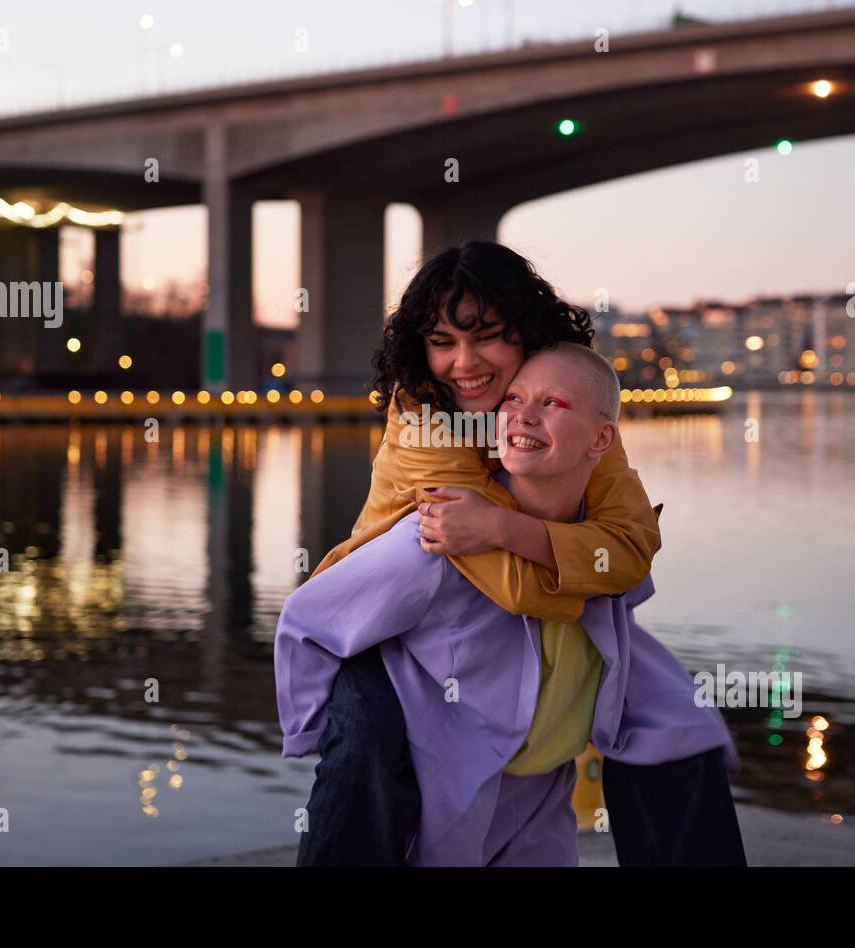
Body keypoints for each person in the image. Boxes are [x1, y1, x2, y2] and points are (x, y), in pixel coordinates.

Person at [276, 344, 746, 866]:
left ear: (602, 439)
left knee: (684, 736)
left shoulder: (602, 545)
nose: (523, 414)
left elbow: (626, 582)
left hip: (539, 797)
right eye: (515, 399)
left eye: (552, 403)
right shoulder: (438, 536)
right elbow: (311, 617)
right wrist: (324, 730)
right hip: (446, 795)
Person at [292, 241, 661, 865]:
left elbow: (632, 552)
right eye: (442, 341)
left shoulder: (573, 405)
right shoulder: (424, 421)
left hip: (500, 650)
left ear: (529, 334)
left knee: (674, 725)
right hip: (390, 635)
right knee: (365, 756)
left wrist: (504, 528)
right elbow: (519, 587)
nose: (464, 364)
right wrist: (593, 578)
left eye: (487, 337)